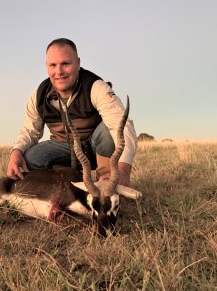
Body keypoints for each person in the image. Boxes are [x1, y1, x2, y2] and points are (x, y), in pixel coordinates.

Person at [7, 38, 137, 187]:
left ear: (78, 62)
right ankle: (65, 183)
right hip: (64, 147)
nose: (59, 72)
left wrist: (124, 169)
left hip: (95, 147)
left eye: (65, 64)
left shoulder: (96, 87)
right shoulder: (38, 95)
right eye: (53, 65)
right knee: (30, 158)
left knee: (109, 130)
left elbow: (122, 125)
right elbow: (30, 131)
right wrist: (16, 151)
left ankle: (107, 182)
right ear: (46, 66)